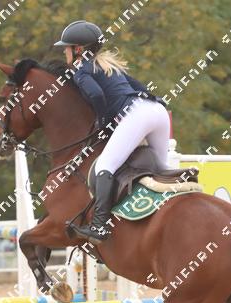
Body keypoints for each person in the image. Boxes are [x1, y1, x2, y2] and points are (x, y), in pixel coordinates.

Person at [54, 20, 170, 244]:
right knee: (163, 169)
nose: (64, 52)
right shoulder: (107, 64)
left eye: (66, 48)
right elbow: (138, 86)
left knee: (105, 165)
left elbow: (97, 95)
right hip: (157, 111)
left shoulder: (81, 69)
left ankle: (99, 226)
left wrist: (103, 121)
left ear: (78, 49)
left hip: (136, 115)